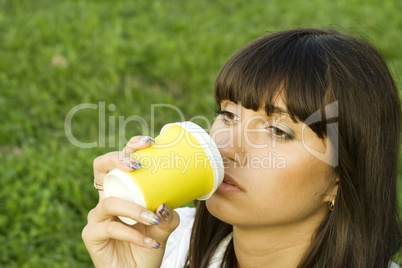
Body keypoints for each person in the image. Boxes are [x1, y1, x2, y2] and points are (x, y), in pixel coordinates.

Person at [82, 27, 402, 267]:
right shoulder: (167, 242)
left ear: (340, 178)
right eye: (228, 114)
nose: (225, 146)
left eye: (277, 131)